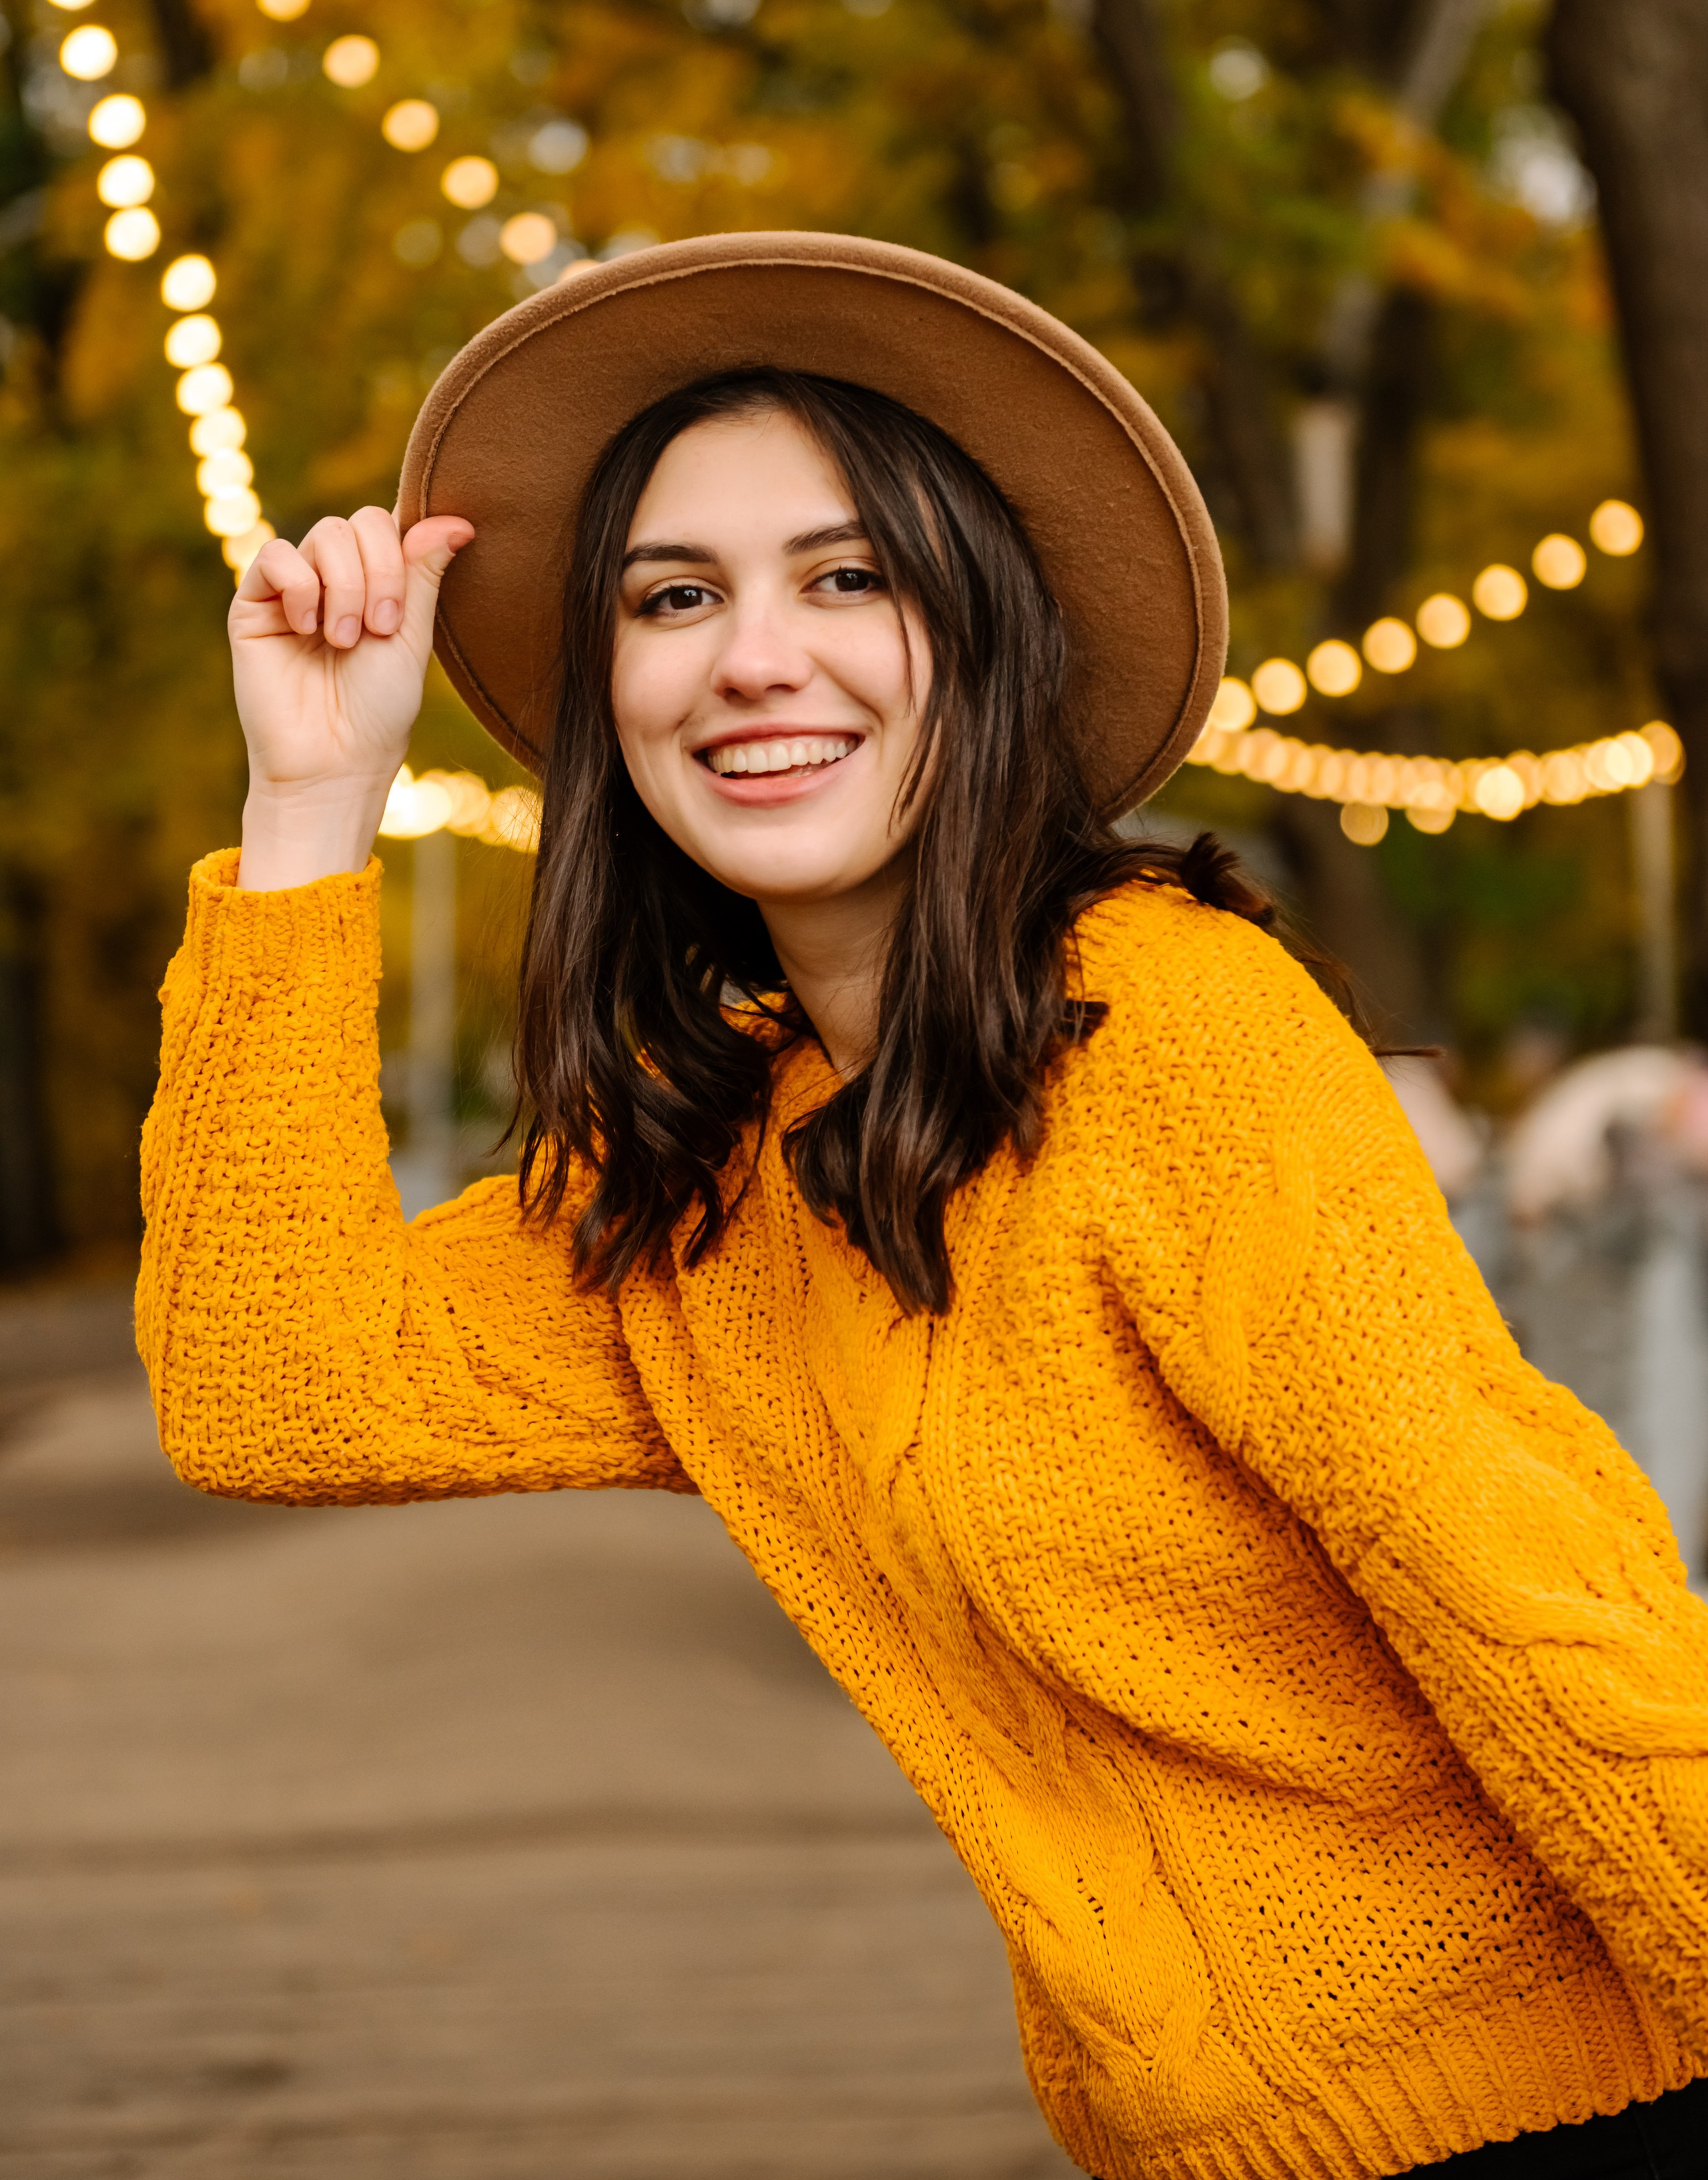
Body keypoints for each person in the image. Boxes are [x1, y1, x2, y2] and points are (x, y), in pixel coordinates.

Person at [139, 233, 1708, 2180]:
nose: (754, 656)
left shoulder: (1171, 1037)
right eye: (673, 594)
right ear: (612, 686)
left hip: (1555, 2088)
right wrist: (309, 810)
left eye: (849, 575)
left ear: (980, 629)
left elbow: (1537, 1599)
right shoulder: (712, 1177)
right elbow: (269, 1381)